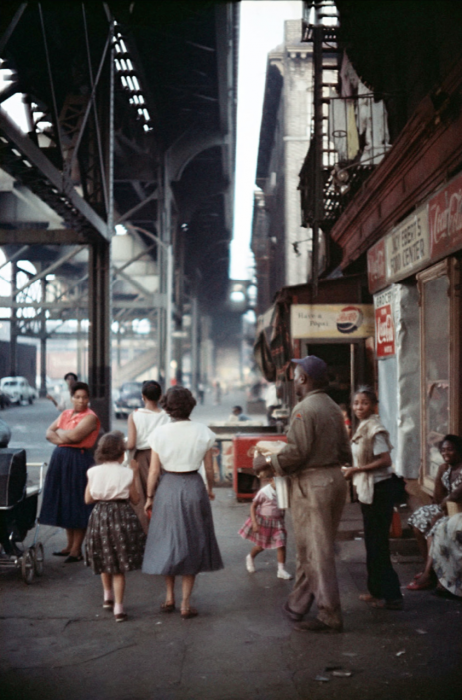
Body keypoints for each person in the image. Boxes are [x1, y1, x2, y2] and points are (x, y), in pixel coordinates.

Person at [253, 356, 351, 633]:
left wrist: (268, 463)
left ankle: (330, 614)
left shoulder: (304, 409)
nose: (293, 380)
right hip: (334, 479)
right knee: (312, 547)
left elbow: (296, 452)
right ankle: (297, 604)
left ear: (304, 379)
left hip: (313, 485)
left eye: (295, 375)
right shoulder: (332, 407)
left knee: (317, 552)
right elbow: (345, 452)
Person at [142, 386, 223, 618]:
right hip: (193, 487)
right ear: (191, 405)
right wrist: (210, 489)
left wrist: (149, 498)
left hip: (167, 487)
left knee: (168, 541)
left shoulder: (159, 434)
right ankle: (186, 604)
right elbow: (209, 469)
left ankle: (169, 597)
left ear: (167, 406)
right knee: (193, 542)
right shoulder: (203, 432)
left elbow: (154, 472)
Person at [342, 387, 403, 610]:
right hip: (370, 491)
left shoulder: (375, 429)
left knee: (378, 545)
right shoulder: (362, 427)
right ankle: (376, 591)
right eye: (356, 403)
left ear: (373, 405)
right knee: (372, 543)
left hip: (380, 491)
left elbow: (385, 460)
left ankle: (393, 596)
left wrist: (357, 470)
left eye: (364, 403)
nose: (359, 407)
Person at [84, 431, 146, 622]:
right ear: (121, 453)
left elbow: (88, 499)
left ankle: (107, 596)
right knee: (119, 564)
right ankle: (119, 608)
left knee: (104, 557)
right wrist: (135, 474)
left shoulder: (92, 472)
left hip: (100, 516)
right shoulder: (127, 472)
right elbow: (135, 500)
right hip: (122, 516)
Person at [40, 381, 100, 562]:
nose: (81, 401)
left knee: (77, 502)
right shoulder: (65, 413)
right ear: (72, 398)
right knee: (64, 501)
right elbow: (47, 432)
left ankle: (76, 549)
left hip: (79, 459)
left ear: (88, 399)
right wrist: (66, 436)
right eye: (77, 397)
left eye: (84, 397)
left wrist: (62, 436)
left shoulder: (91, 417)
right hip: (60, 458)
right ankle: (68, 545)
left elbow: (75, 437)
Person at [406, 434, 462, 592]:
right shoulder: (447, 468)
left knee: (436, 525)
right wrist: (440, 473)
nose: (446, 453)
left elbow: (455, 496)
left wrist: (441, 512)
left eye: (450, 450)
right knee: (419, 518)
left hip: (458, 511)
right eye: (443, 450)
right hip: (449, 510)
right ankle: (429, 568)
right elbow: (438, 499)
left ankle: (429, 573)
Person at [126, 380, 170, 532]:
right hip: (163, 458)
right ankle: (163, 531)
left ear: (142, 396)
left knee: (142, 499)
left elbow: (131, 444)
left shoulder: (135, 415)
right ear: (160, 396)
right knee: (160, 497)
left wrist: (121, 444)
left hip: (141, 459)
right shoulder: (167, 416)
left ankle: (145, 534)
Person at [238, 478, 292, 580]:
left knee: (281, 544)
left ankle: (281, 570)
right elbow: (253, 506)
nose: (280, 485)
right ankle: (250, 557)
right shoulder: (264, 492)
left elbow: (283, 508)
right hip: (265, 522)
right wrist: (254, 523)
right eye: (278, 482)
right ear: (271, 480)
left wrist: (282, 520)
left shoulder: (282, 492)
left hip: (277, 523)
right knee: (261, 546)